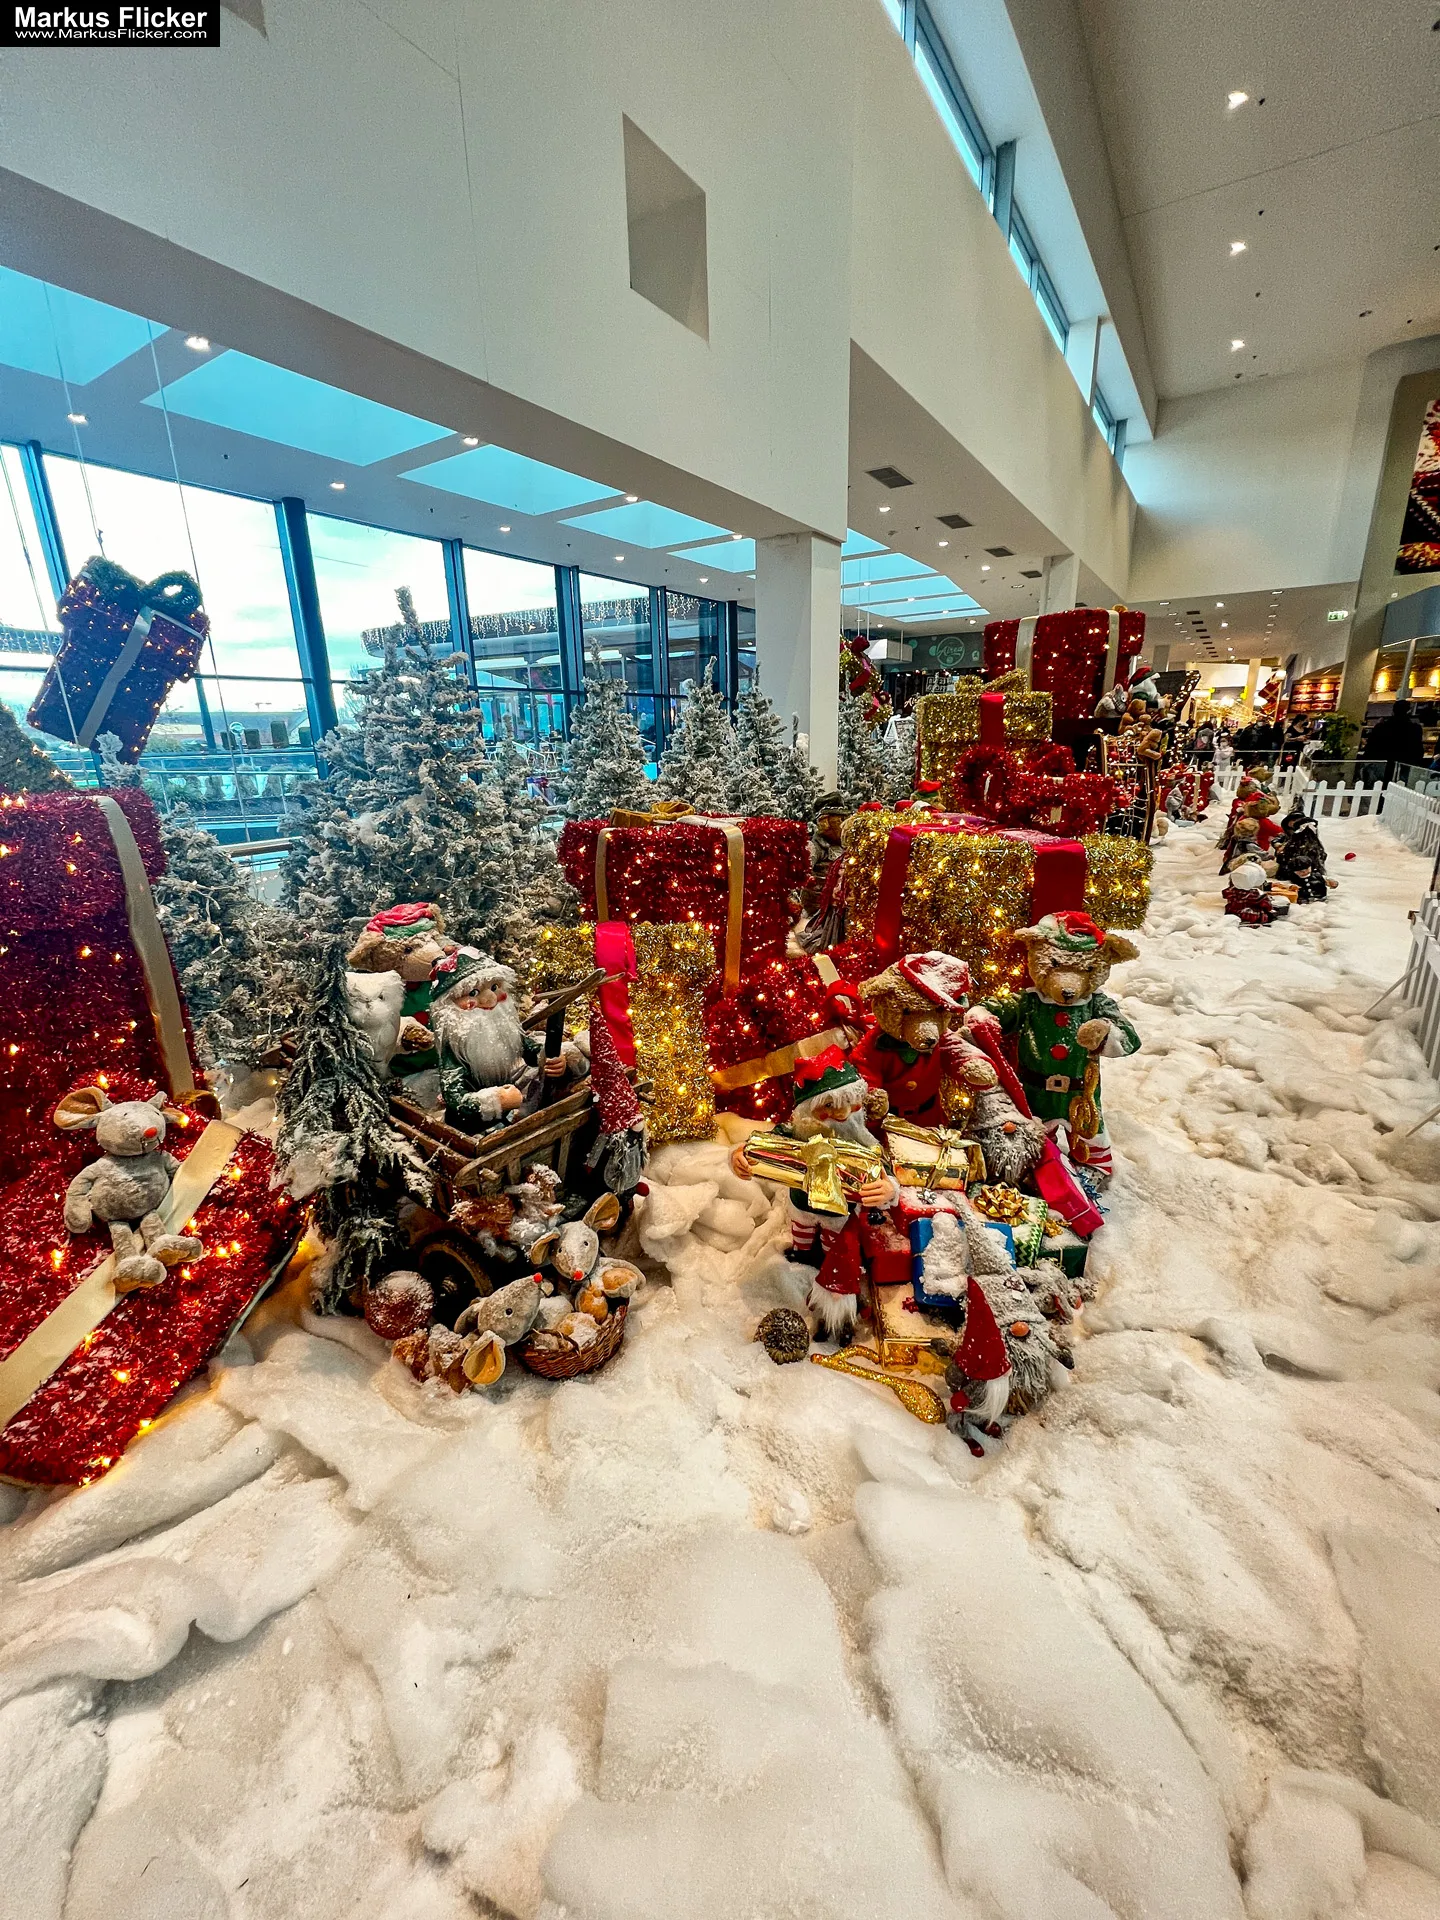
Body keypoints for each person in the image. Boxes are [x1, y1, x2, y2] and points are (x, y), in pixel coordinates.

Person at [1362, 700, 1425, 783]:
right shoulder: (1415, 728)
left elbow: (1370, 747)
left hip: (1382, 764)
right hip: (1404, 764)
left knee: (1379, 787)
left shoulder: (1381, 727)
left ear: (1393, 710)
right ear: (1409, 711)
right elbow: (1418, 750)